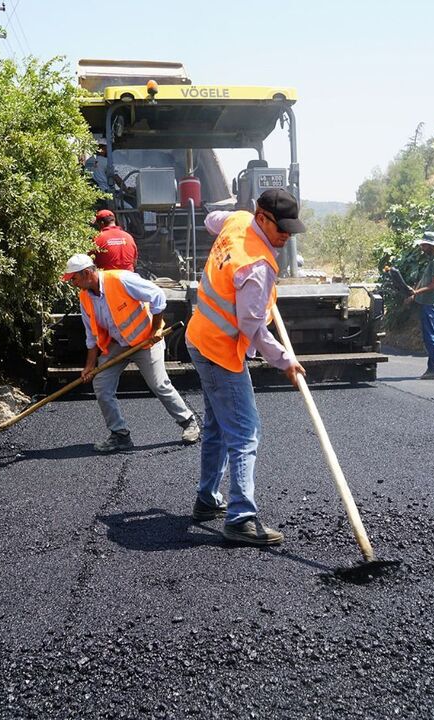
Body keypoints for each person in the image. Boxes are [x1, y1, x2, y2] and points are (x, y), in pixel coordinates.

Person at [185, 188, 307, 546]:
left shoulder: (237, 220)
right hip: (220, 352)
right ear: (261, 216)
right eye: (280, 228)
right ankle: (240, 517)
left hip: (199, 339)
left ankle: (207, 500)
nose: (286, 235)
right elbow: (252, 330)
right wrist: (287, 360)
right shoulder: (256, 267)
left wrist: (233, 218)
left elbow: (211, 220)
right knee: (245, 432)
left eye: (290, 229)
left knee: (217, 425)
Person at [61, 253, 201, 452]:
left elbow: (158, 295)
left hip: (145, 341)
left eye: (73, 278)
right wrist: (89, 366)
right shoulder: (85, 297)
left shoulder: (120, 280)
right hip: (118, 344)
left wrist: (155, 331)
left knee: (159, 384)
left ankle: (188, 422)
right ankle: (120, 435)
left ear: (86, 273)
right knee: (101, 384)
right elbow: (91, 334)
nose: (72, 283)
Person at [404, 231, 434, 380]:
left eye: (424, 245)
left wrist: (415, 292)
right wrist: (413, 294)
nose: (422, 248)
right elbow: (427, 281)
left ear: (431, 245)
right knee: (431, 336)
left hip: (431, 304)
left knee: (431, 337)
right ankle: (433, 369)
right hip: (430, 304)